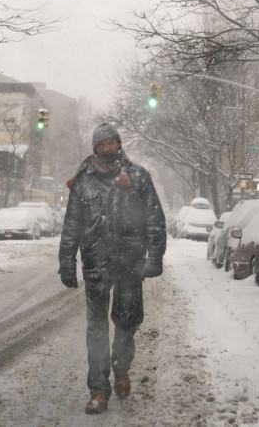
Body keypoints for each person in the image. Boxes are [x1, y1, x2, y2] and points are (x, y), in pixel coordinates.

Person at [58, 122, 167, 415]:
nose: (106, 148)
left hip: (130, 265)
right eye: (101, 144)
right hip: (95, 265)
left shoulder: (138, 176)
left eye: (111, 143)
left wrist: (154, 257)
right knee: (96, 328)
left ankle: (121, 369)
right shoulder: (83, 181)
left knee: (126, 323)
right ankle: (98, 389)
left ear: (118, 144)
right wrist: (66, 261)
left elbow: (155, 219)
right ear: (94, 148)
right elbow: (72, 225)